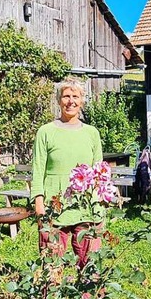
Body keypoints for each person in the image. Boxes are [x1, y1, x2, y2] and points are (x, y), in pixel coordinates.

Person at [31, 77, 103, 269]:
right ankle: (53, 298)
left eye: (75, 96)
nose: (71, 101)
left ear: (82, 101)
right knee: (52, 266)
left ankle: (89, 298)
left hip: (86, 208)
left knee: (91, 265)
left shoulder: (92, 133)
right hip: (54, 208)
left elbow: (98, 173)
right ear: (58, 100)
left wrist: (98, 205)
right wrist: (39, 204)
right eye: (66, 96)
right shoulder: (45, 132)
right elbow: (38, 170)